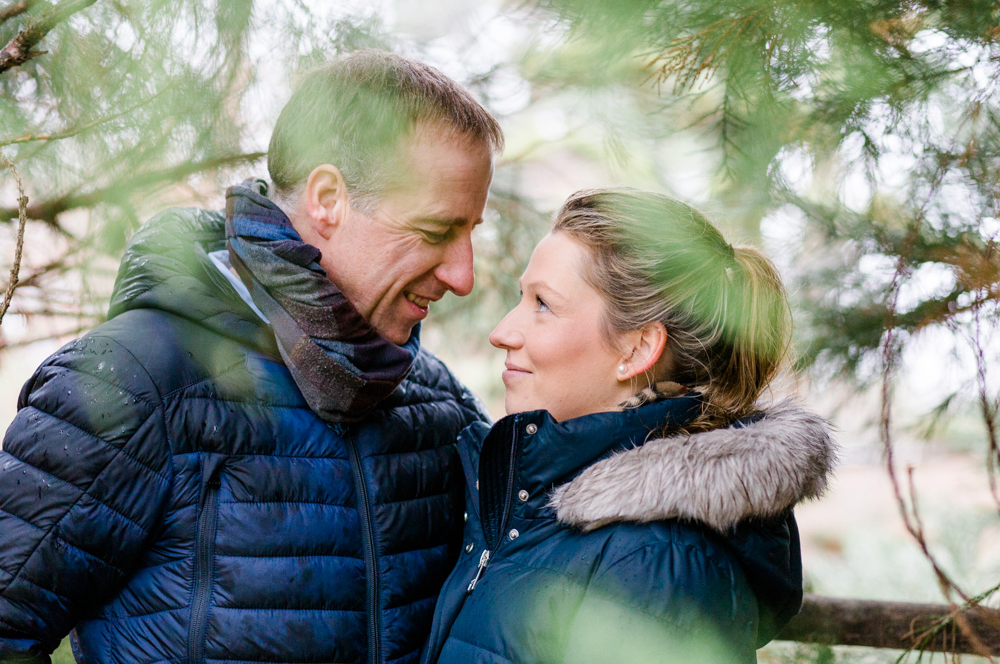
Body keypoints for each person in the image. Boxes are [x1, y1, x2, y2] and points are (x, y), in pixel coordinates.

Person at [0, 50, 502, 663]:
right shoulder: (133, 383)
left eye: (473, 230)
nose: (464, 274)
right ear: (328, 199)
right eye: (435, 231)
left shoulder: (440, 408)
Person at [420, 189, 838, 663]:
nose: (502, 332)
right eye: (523, 296)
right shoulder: (532, 510)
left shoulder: (661, 563)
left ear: (637, 350)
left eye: (543, 304)